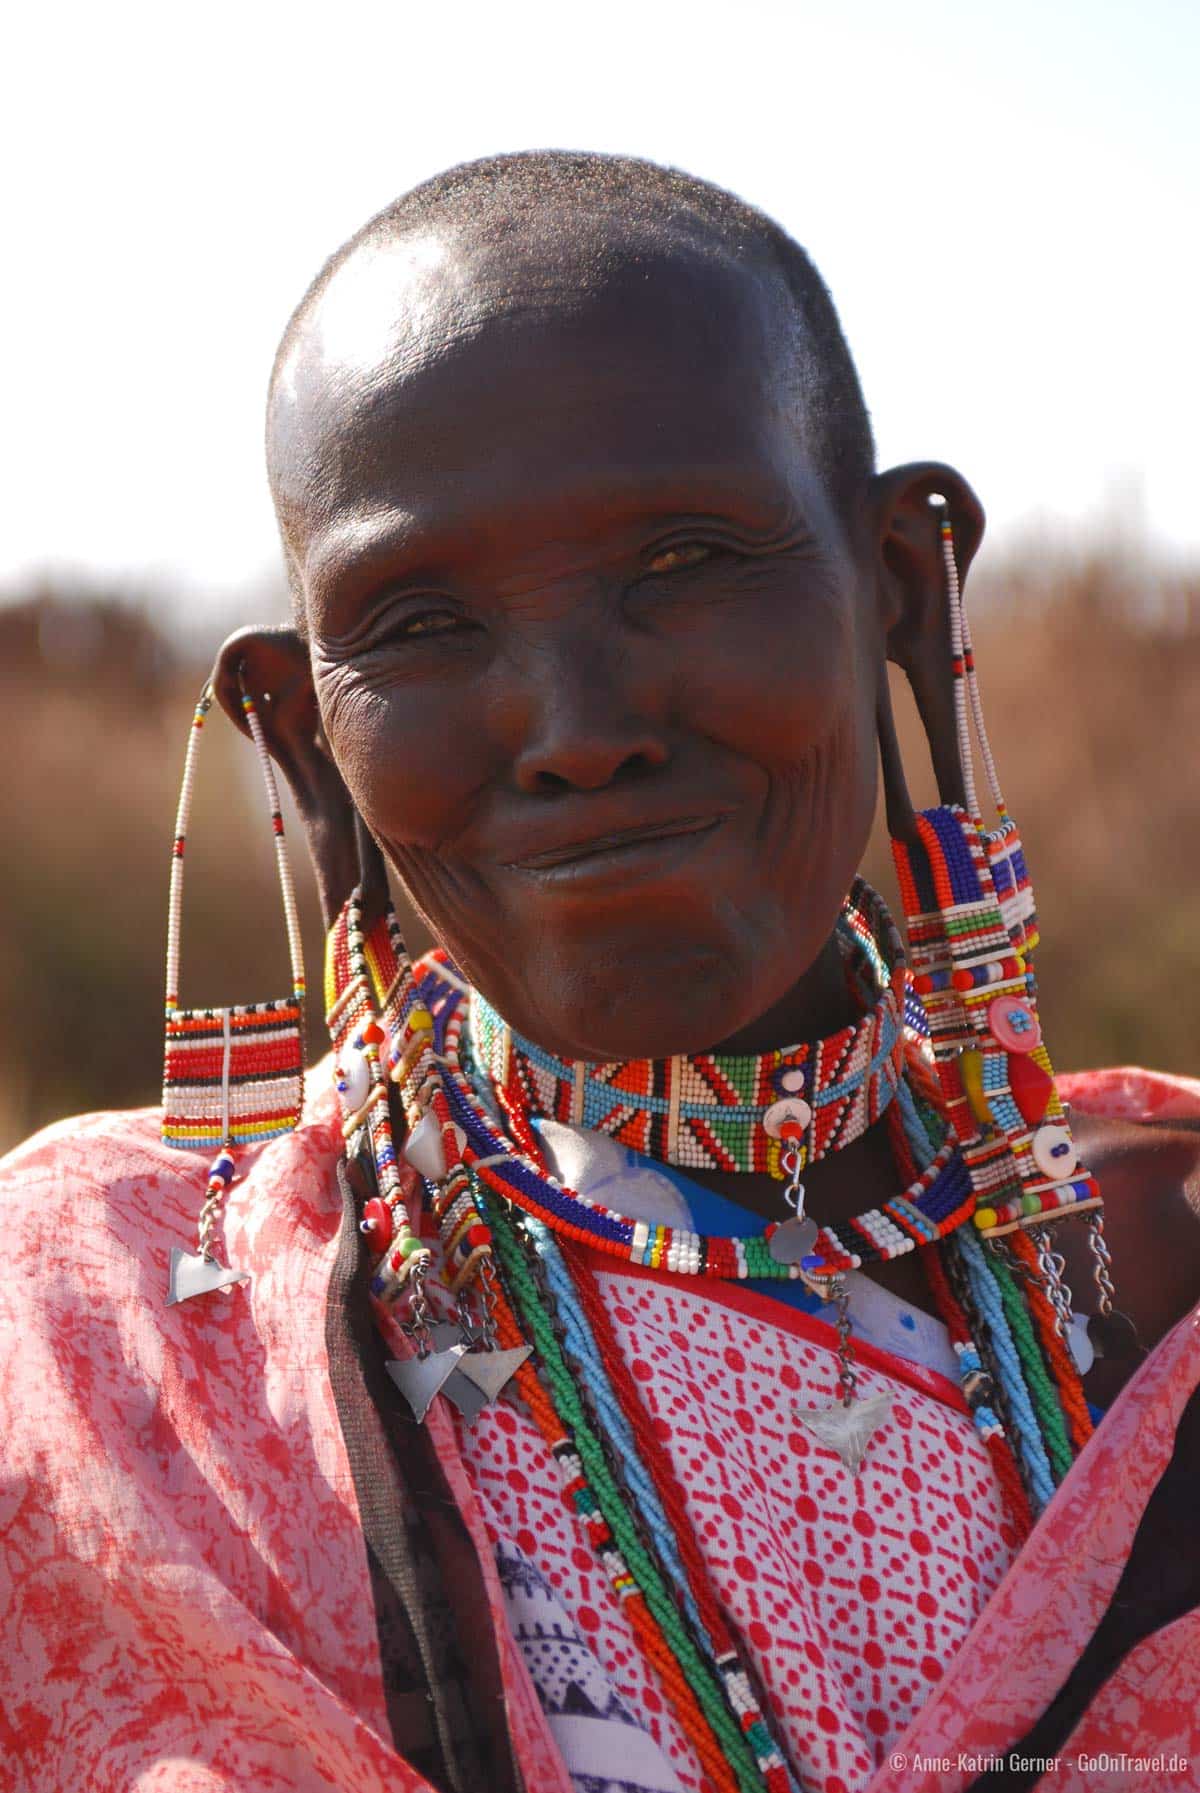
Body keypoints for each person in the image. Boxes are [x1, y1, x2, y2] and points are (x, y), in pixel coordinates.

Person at [4, 152, 1200, 1793]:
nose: (579, 731)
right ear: (302, 730)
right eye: (419, 622)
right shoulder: (109, 1332)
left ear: (902, 594)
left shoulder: (1163, 1276)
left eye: (687, 562)